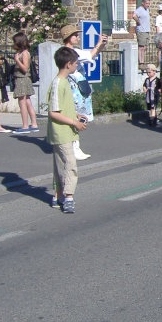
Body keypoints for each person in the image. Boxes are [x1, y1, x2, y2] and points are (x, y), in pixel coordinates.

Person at [47, 46, 88, 214]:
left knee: (60, 165)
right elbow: (53, 112)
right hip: (61, 131)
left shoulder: (63, 82)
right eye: (76, 63)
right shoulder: (58, 84)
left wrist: (76, 115)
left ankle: (58, 196)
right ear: (68, 64)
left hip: (64, 131)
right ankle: (69, 196)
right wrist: (74, 122)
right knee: (70, 164)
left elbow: (62, 108)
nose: (77, 66)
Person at [61, 25, 108, 160]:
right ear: (69, 37)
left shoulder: (72, 51)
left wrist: (101, 45)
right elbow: (90, 55)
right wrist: (99, 44)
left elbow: (91, 56)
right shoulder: (69, 53)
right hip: (74, 87)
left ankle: (75, 146)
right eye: (75, 35)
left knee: (78, 115)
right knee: (77, 116)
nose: (78, 37)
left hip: (77, 86)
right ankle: (74, 147)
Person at [11, 32, 40, 134]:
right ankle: (34, 123)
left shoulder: (24, 53)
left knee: (22, 102)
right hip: (22, 79)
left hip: (22, 79)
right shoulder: (23, 52)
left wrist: (17, 60)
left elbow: (25, 68)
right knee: (27, 101)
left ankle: (25, 125)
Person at [132, 0, 151, 65]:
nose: (148, 5)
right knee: (141, 47)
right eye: (146, 3)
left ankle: (142, 61)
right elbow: (134, 15)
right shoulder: (140, 9)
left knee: (144, 47)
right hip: (141, 31)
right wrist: (138, 21)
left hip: (146, 30)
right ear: (143, 3)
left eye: (149, 3)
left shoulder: (147, 10)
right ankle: (141, 63)